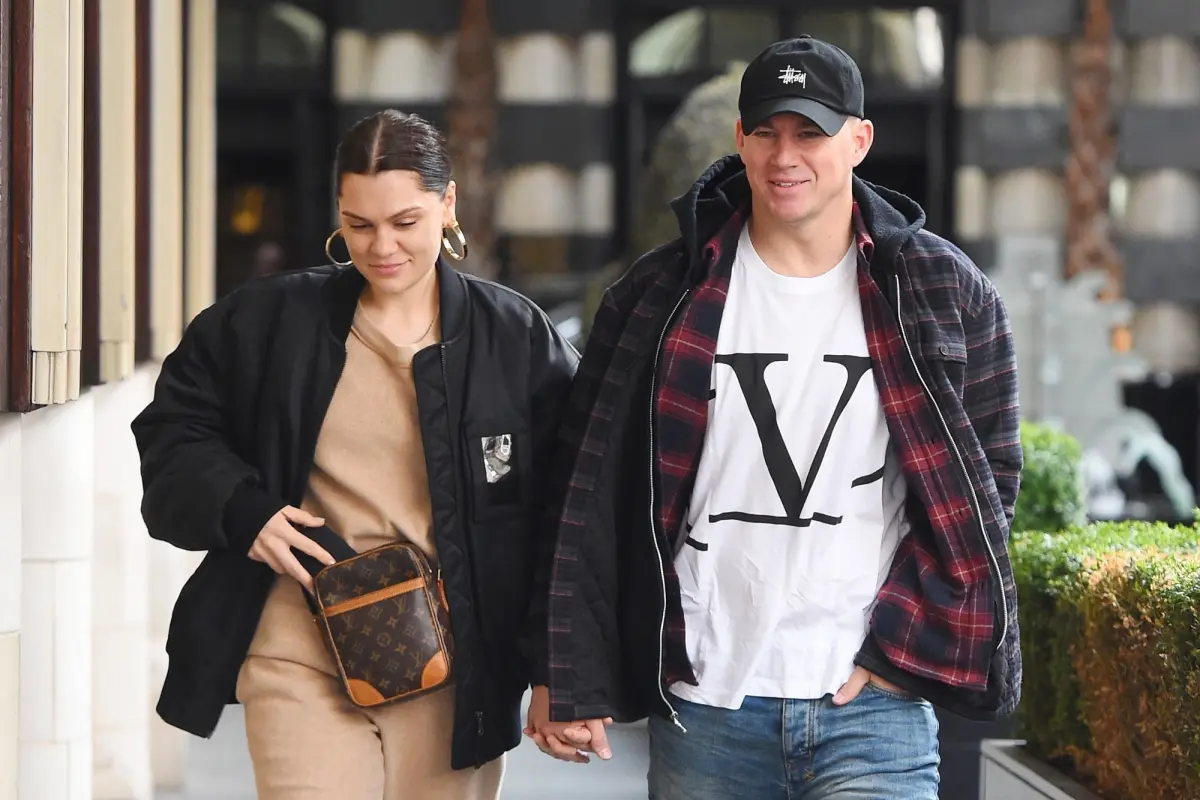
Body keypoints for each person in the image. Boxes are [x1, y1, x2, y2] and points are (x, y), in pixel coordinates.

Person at [526, 36, 1024, 798]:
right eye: (766, 131)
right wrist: (564, 672)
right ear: (740, 139)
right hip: (708, 706)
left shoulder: (940, 292)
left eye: (810, 133)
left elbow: (988, 483)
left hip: (873, 708)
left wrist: (904, 649)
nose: (784, 155)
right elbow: (587, 490)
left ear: (859, 141)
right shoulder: (661, 295)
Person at [132, 109, 580, 799]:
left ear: (447, 203)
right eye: (359, 224)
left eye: (405, 222)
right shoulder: (269, 321)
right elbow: (174, 426)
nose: (381, 246)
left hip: (454, 665)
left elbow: (573, 506)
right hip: (296, 645)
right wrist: (243, 509)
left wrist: (563, 673)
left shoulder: (513, 338)